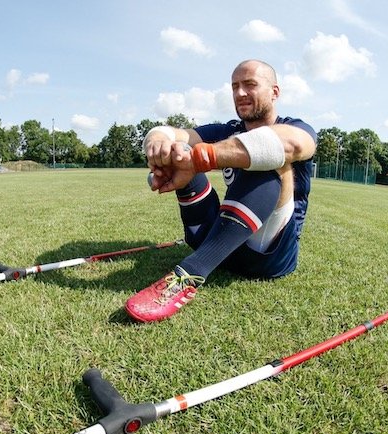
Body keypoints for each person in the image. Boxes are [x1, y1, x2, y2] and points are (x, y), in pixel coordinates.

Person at [126, 59, 318, 323]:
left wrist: (203, 157)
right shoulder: (227, 129)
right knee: (180, 153)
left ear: (275, 92)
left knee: (269, 155)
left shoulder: (295, 126)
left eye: (250, 85)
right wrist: (160, 144)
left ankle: (190, 273)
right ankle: (210, 252)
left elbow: (294, 145)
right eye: (235, 86)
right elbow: (173, 133)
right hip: (223, 245)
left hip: (269, 255)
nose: (240, 93)